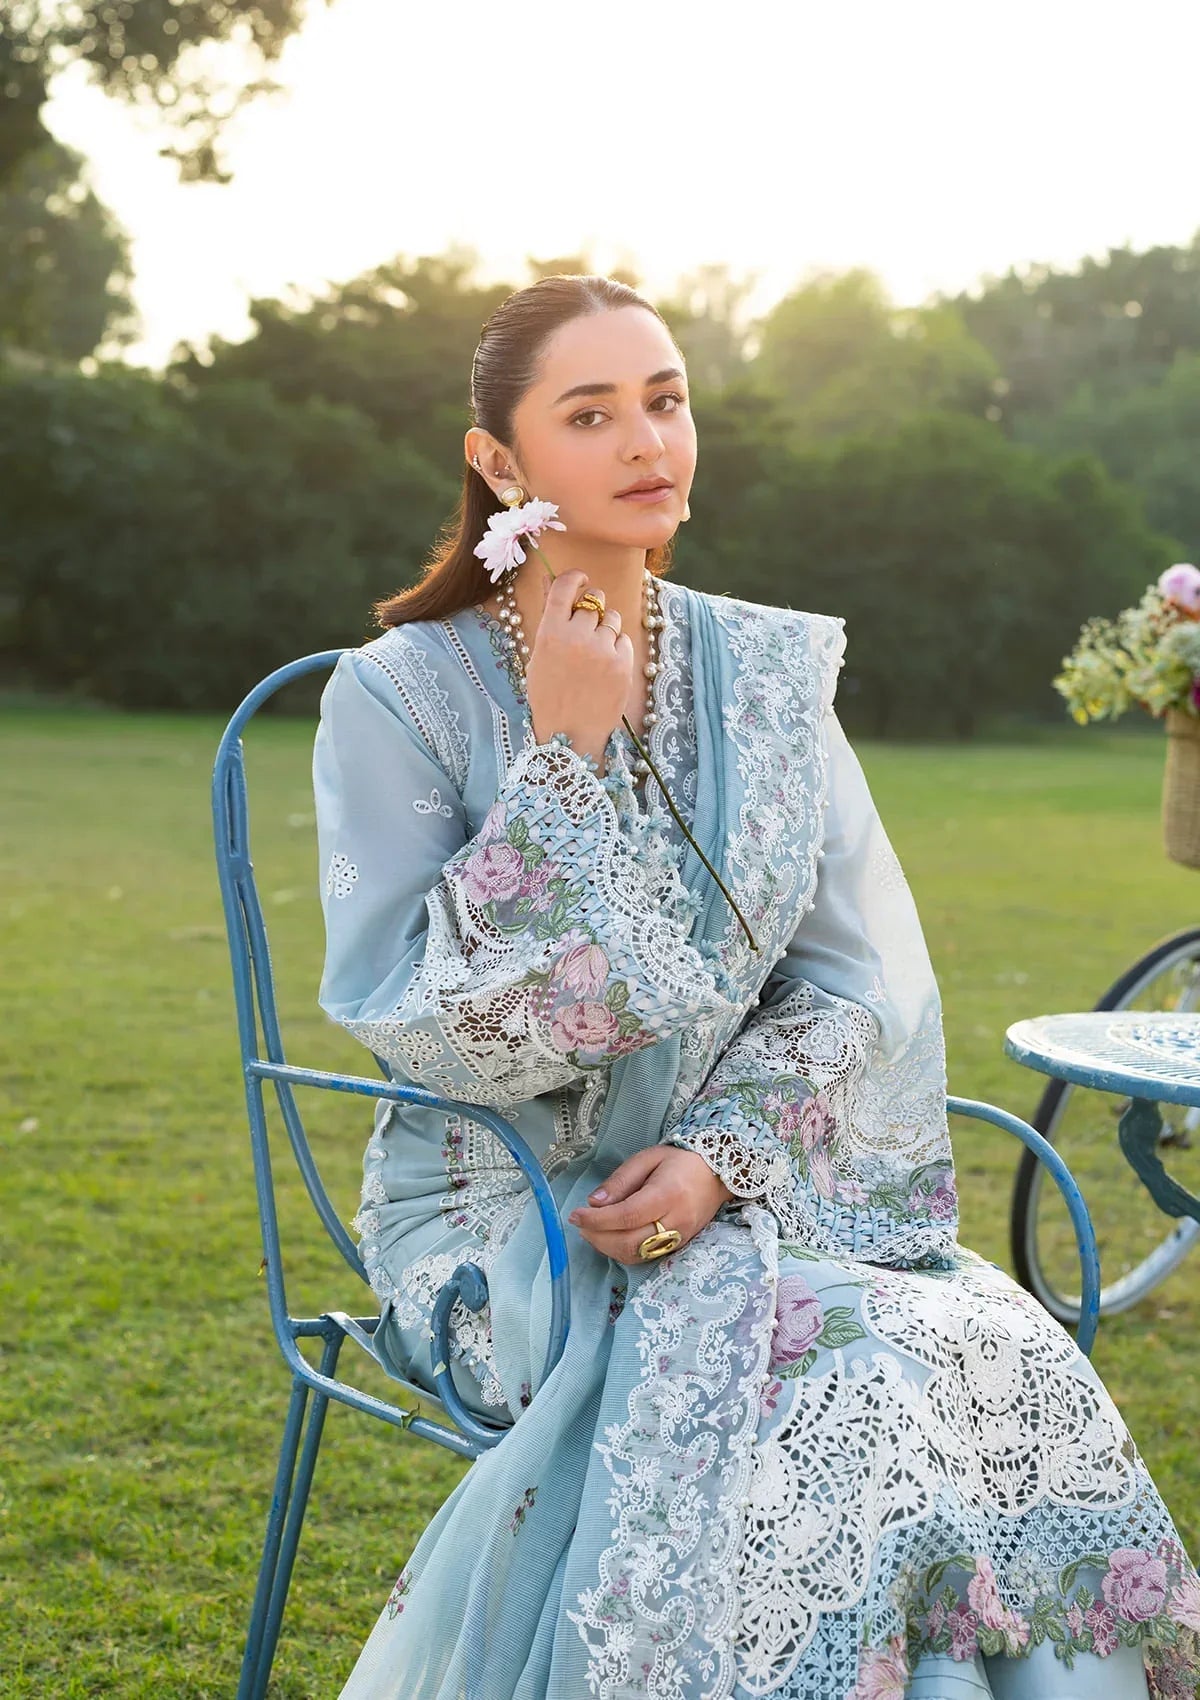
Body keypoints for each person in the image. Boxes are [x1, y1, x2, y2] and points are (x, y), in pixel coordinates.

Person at [312, 274, 1200, 1700]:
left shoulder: (769, 673)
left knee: (994, 1349)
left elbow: (856, 981)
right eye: (590, 414)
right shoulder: (397, 695)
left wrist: (719, 1162)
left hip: (757, 1187)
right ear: (498, 461)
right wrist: (562, 759)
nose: (646, 440)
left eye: (665, 401)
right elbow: (429, 1027)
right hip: (509, 1214)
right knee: (844, 1370)